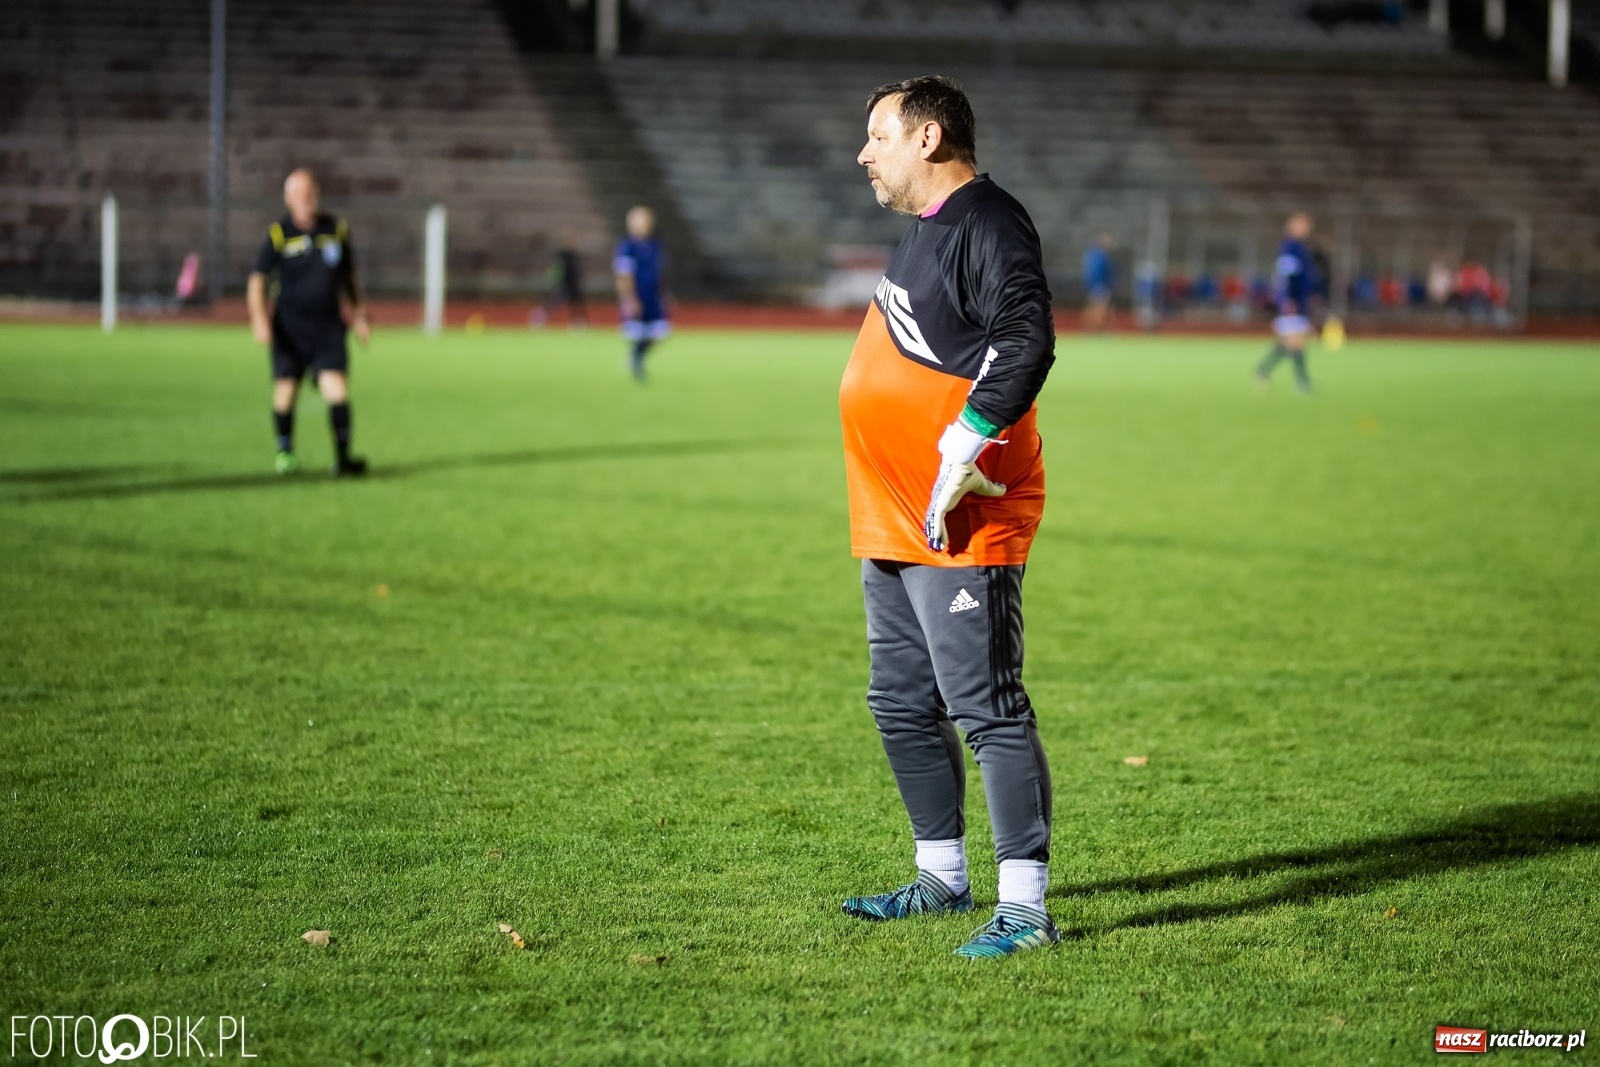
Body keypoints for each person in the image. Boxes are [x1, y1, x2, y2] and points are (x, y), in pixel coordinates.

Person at [840, 75, 1059, 959]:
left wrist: (969, 438)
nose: (865, 153)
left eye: (879, 136)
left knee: (987, 707)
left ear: (928, 139)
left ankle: (1025, 910)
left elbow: (1027, 336)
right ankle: (940, 876)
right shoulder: (930, 231)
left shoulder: (988, 220)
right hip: (890, 517)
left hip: (960, 521)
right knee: (899, 701)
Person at [247, 169, 369, 475]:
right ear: (288, 199)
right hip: (289, 327)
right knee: (286, 391)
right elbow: (257, 281)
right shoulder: (278, 233)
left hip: (327, 327)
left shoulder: (335, 229)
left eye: (311, 192)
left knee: (337, 391)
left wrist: (359, 315)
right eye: (300, 195)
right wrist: (260, 319)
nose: (307, 199)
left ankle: (343, 459)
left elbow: (348, 278)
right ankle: (285, 454)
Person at [1254, 212, 1317, 394]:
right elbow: (1286, 276)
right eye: (1300, 224)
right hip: (1293, 301)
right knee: (1295, 341)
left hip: (1299, 299)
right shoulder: (1291, 247)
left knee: (1293, 342)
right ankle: (1301, 381)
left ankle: (1263, 371)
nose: (1304, 228)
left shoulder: (1300, 247)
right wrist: (1288, 299)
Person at [613, 206, 668, 381]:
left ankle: (636, 356)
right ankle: (636, 360)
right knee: (637, 332)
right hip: (638, 297)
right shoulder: (627, 246)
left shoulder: (654, 245)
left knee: (660, 332)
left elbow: (659, 272)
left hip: (653, 297)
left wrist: (665, 293)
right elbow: (623, 275)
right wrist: (629, 299)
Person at [531, 234, 586, 328]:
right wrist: (555, 281)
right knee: (555, 301)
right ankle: (540, 315)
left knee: (576, 304)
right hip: (563, 283)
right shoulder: (561, 255)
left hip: (573, 284)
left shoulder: (575, 255)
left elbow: (577, 271)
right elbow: (556, 269)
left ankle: (576, 322)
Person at [1081, 233, 1115, 330]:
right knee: (1099, 308)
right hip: (1099, 286)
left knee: (1097, 307)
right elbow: (1097, 272)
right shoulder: (1100, 257)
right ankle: (1095, 328)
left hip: (1096, 285)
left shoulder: (1094, 255)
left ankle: (1092, 328)